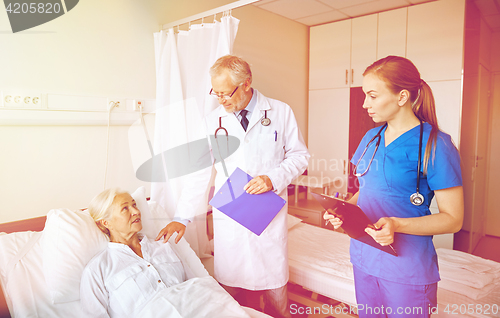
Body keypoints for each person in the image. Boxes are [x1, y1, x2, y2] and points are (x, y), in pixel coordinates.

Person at [156, 55, 310, 318]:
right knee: (231, 301)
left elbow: (300, 156)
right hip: (231, 219)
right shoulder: (212, 122)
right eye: (215, 93)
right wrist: (182, 217)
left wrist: (272, 178)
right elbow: (200, 174)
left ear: (246, 83)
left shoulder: (280, 112)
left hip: (267, 218)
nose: (221, 100)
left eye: (226, 93)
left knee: (275, 299)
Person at [324, 56, 464, 317]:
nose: (365, 104)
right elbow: (366, 192)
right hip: (364, 256)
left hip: (406, 267)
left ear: (401, 97)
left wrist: (397, 224)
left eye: (373, 96)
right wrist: (341, 210)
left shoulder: (436, 145)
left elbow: (453, 220)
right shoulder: (370, 138)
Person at [80, 189, 187, 317]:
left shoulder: (164, 245)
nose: (136, 212)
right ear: (106, 222)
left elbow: (192, 286)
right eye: (125, 208)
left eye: (134, 205)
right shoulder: (97, 270)